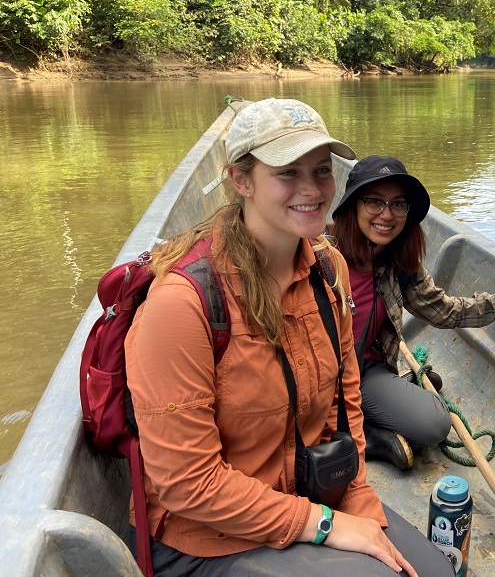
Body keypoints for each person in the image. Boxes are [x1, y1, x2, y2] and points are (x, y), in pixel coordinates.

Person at [124, 98, 453, 577]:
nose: (312, 189)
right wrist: (323, 524)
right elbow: (188, 485)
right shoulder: (183, 303)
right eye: (287, 172)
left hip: (304, 490)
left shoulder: (327, 268)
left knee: (434, 572)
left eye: (321, 171)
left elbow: (348, 398)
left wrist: (357, 496)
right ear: (241, 180)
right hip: (206, 536)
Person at [327, 155, 495, 470]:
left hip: (364, 375)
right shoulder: (319, 256)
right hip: (315, 380)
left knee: (434, 423)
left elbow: (445, 311)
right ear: (353, 206)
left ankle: (363, 420)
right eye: (374, 202)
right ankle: (368, 436)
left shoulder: (398, 264)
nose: (386, 215)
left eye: (398, 205)